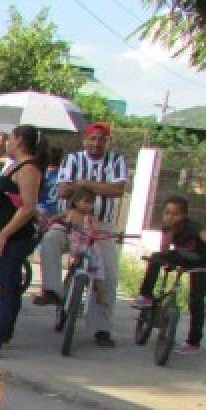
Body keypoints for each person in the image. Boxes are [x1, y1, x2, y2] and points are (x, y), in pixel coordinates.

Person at [35, 123, 128, 347]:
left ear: (107, 142)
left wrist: (84, 184)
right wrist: (97, 188)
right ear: (85, 141)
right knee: (50, 239)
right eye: (92, 139)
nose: (96, 144)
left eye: (101, 139)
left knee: (109, 274)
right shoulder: (72, 160)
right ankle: (53, 290)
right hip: (71, 220)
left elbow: (117, 189)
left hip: (101, 225)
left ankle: (101, 328)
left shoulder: (116, 161)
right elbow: (63, 189)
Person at [134, 196, 206, 354]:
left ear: (184, 216)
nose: (170, 217)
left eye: (175, 214)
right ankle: (145, 295)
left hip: (203, 263)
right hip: (184, 257)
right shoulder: (167, 227)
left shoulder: (193, 228)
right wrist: (166, 262)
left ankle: (193, 343)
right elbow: (165, 250)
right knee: (156, 256)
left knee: (196, 300)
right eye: (167, 213)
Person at [0, 124, 45, 357]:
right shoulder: (15, 165)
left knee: (5, 285)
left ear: (19, 140)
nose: (6, 142)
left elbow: (28, 208)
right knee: (3, 281)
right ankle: (2, 331)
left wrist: (3, 234)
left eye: (9, 138)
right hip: (4, 233)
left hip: (14, 236)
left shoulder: (29, 169)